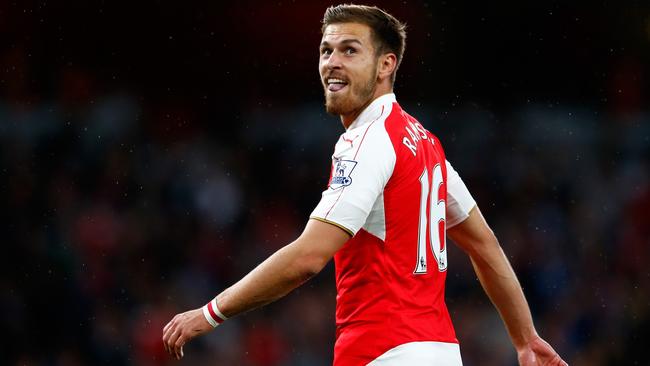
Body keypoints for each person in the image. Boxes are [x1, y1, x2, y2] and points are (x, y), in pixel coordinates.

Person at [162, 4, 568, 365]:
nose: (332, 62)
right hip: (439, 352)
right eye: (326, 50)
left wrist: (211, 312)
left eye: (350, 50)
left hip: (385, 351)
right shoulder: (425, 143)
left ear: (386, 64)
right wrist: (525, 339)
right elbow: (484, 243)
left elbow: (307, 258)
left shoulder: (368, 140)